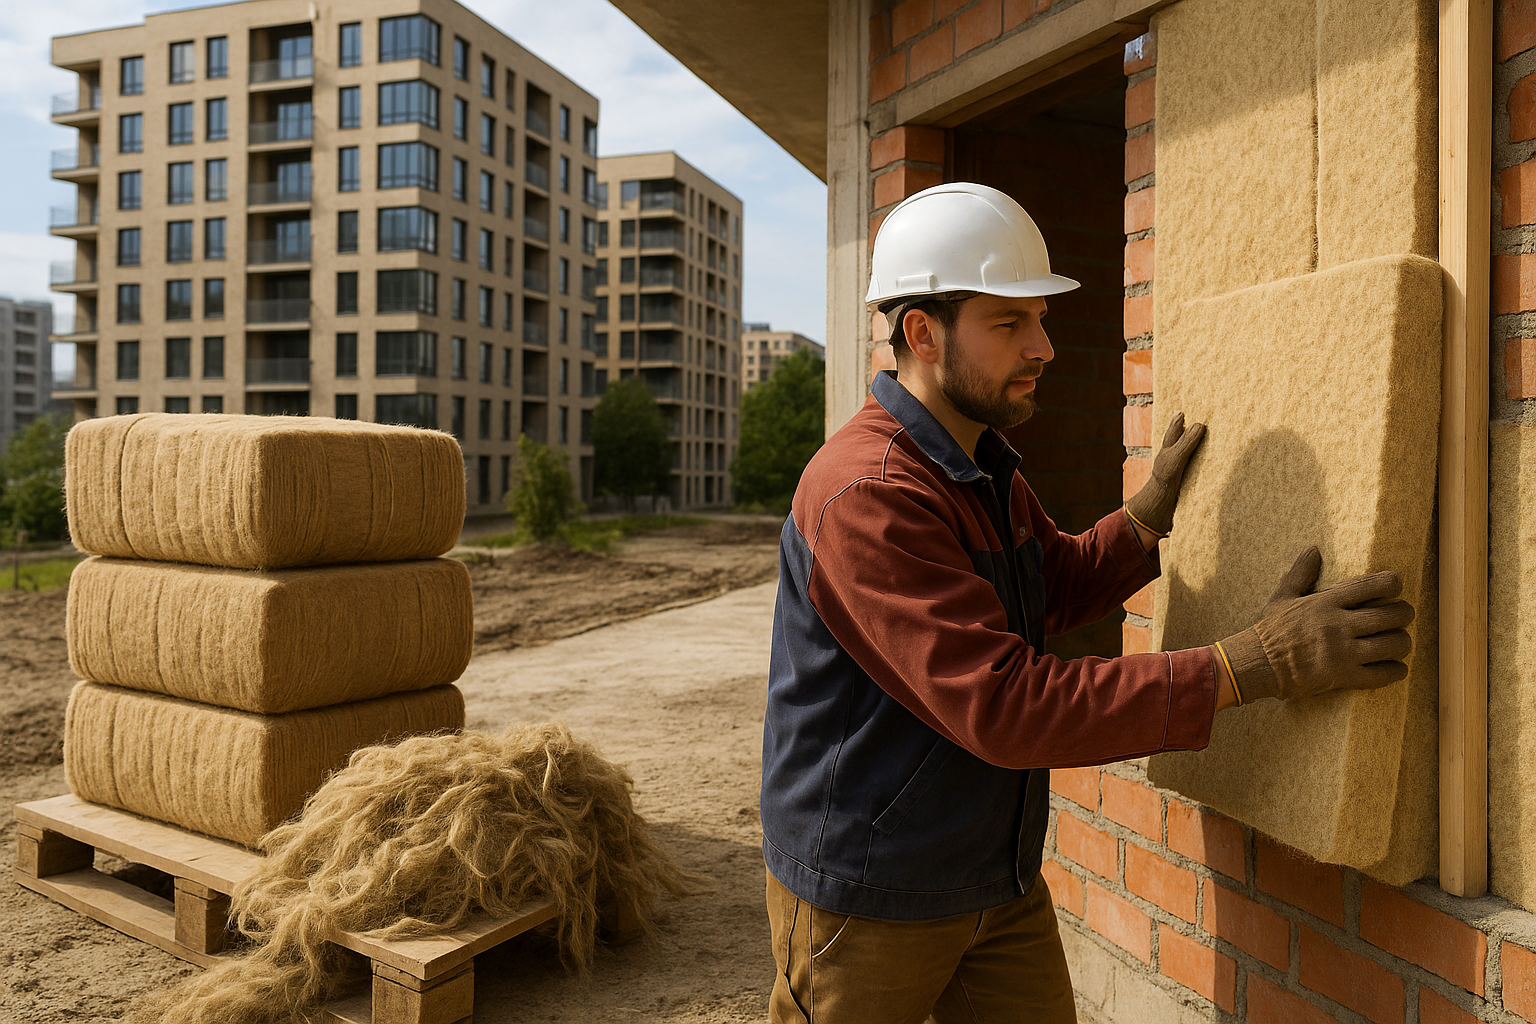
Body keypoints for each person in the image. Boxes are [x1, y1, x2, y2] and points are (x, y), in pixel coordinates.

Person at [758, 182, 1416, 1023]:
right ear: (921, 333)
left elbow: (1049, 584)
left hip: (993, 874)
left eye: (1041, 318)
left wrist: (1142, 524)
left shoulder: (981, 461)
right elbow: (1005, 703)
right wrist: (1255, 663)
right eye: (1010, 324)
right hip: (870, 890)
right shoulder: (867, 493)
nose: (1044, 346)